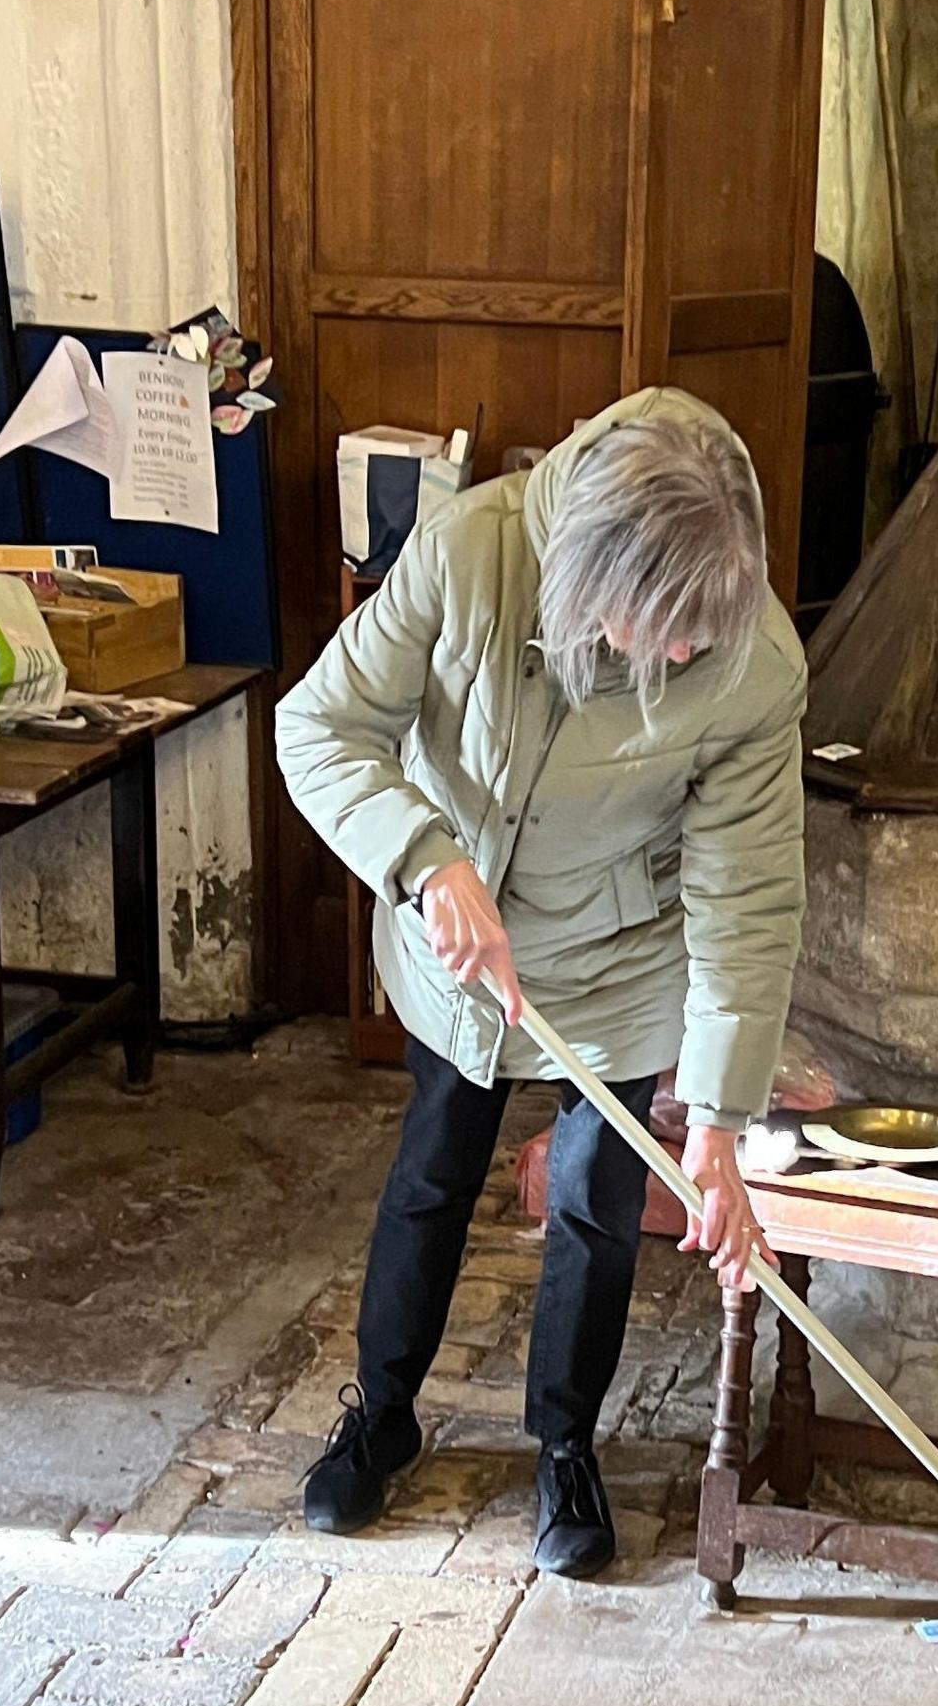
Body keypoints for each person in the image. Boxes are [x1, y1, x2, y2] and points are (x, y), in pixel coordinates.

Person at [276, 389, 806, 1577]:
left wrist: (718, 1121)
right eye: (659, 628)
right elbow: (319, 725)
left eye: (698, 638)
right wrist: (423, 861)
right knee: (434, 1171)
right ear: (591, 575)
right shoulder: (472, 550)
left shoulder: (756, 665)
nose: (680, 655)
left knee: (593, 1203)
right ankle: (382, 1413)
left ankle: (566, 1442)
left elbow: (747, 895)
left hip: (619, 960)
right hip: (454, 937)